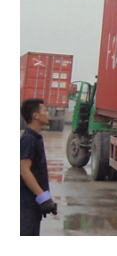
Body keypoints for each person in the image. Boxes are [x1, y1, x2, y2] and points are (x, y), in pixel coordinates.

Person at [21, 97, 58, 235]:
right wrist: (43, 198)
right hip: (26, 205)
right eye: (44, 110)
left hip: (33, 203)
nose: (47, 112)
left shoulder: (35, 138)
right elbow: (24, 170)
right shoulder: (28, 139)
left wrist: (45, 199)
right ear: (36, 116)